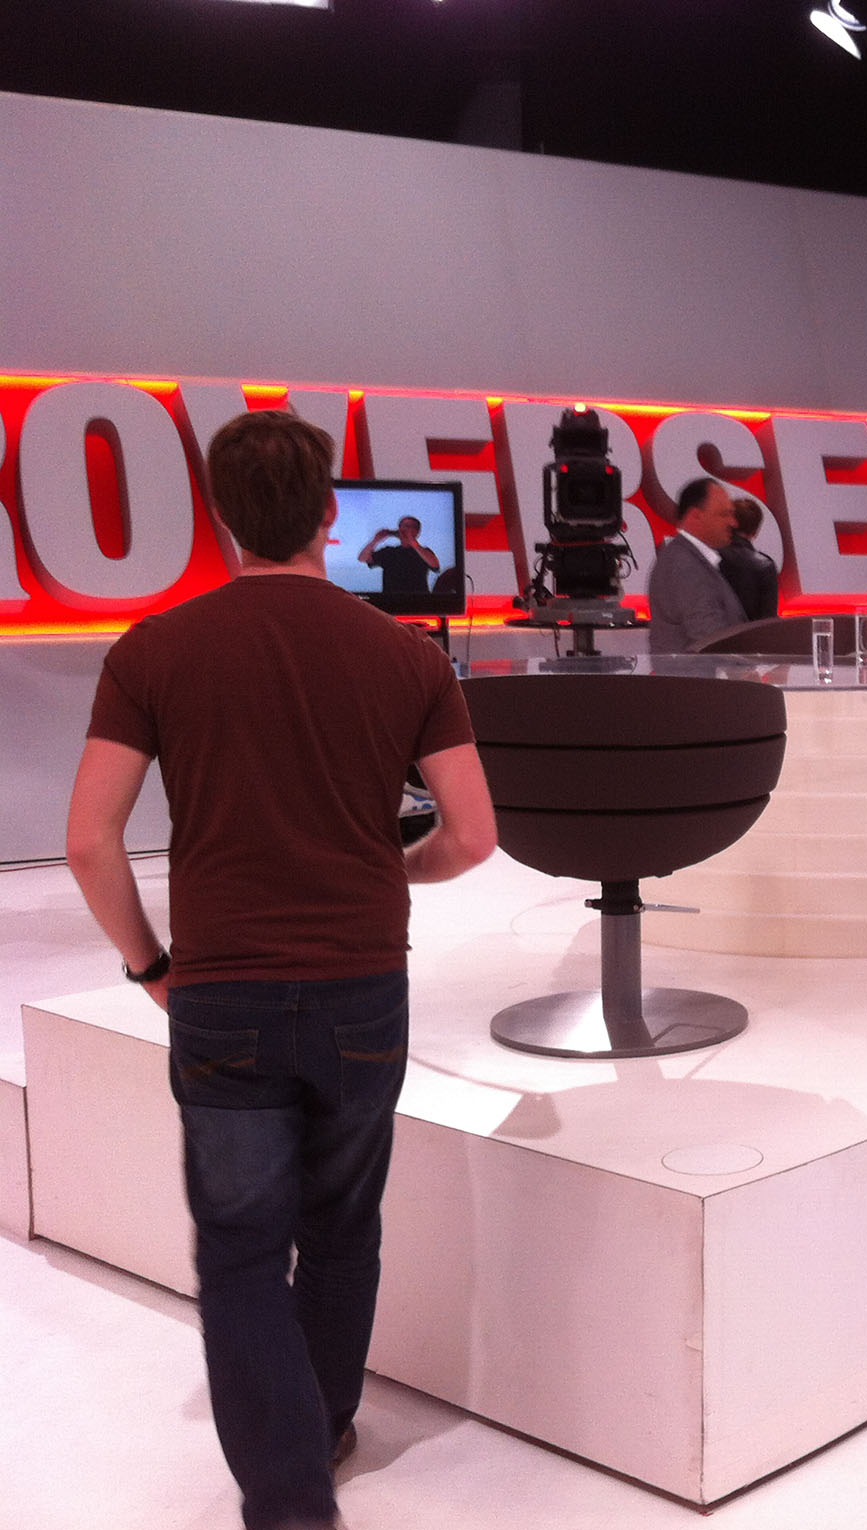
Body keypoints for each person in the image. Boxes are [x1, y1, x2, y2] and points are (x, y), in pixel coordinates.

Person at [65, 409, 499, 1530]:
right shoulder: (410, 655)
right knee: (342, 1228)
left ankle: (290, 1493)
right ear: (328, 515)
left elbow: (89, 840)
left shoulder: (153, 651)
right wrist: (391, 869)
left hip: (223, 992)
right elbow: (472, 836)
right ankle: (326, 1421)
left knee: (242, 1249)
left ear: (221, 516)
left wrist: (149, 965)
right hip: (363, 985)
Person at [648, 476, 745, 652]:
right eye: (724, 514)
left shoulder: (685, 559)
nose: (733, 522)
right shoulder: (684, 564)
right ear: (696, 516)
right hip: (701, 670)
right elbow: (710, 638)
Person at [718, 495, 780, 622]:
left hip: (713, 633)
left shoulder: (707, 557)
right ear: (755, 532)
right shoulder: (766, 565)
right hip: (752, 633)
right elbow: (768, 620)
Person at [356, 515, 440, 594]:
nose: (405, 529)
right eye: (403, 526)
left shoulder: (424, 552)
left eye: (409, 526)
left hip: (419, 600)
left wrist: (412, 542)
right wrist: (375, 540)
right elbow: (362, 558)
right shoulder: (389, 551)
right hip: (391, 600)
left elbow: (435, 565)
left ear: (417, 532)